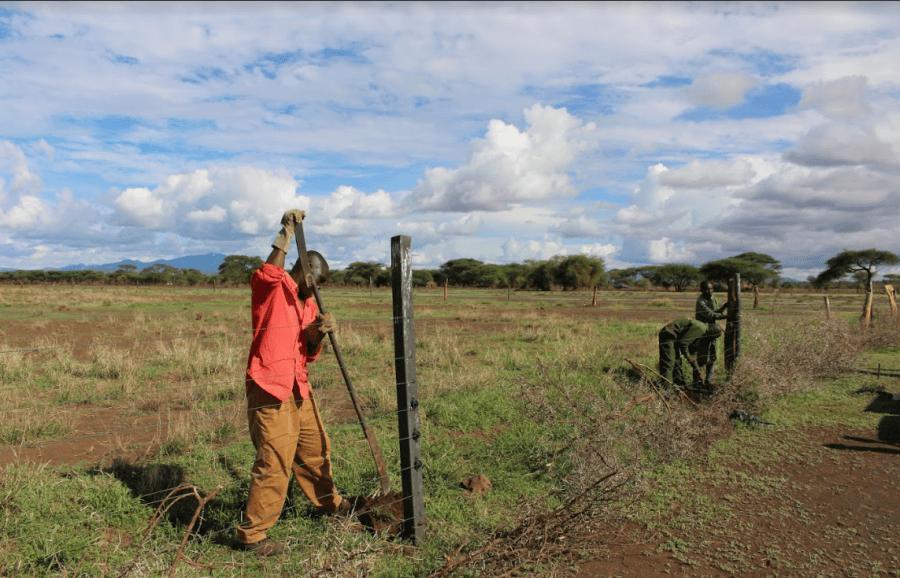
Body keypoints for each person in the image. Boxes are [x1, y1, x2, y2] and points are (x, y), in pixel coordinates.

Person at [236, 209, 351, 557]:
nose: (319, 290)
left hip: (298, 387)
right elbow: (268, 271)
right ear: (304, 273)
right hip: (270, 388)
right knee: (274, 461)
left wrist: (318, 331)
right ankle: (253, 536)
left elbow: (308, 352)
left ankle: (330, 505)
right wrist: (284, 234)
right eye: (317, 282)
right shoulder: (274, 289)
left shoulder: (307, 303)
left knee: (316, 451)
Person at [657, 318, 721, 389]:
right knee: (669, 362)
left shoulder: (701, 332)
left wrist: (697, 370)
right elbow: (683, 343)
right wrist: (689, 358)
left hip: (675, 338)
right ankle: (666, 389)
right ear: (711, 333)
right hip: (669, 334)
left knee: (677, 362)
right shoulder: (701, 328)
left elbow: (692, 351)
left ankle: (679, 385)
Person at [694, 280, 728, 386]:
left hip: (713, 331)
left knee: (713, 357)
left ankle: (708, 381)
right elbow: (710, 315)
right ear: (702, 290)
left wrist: (724, 307)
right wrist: (727, 316)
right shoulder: (700, 301)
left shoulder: (713, 298)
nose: (710, 291)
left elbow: (716, 312)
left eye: (711, 289)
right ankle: (697, 381)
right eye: (707, 289)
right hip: (702, 331)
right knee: (702, 358)